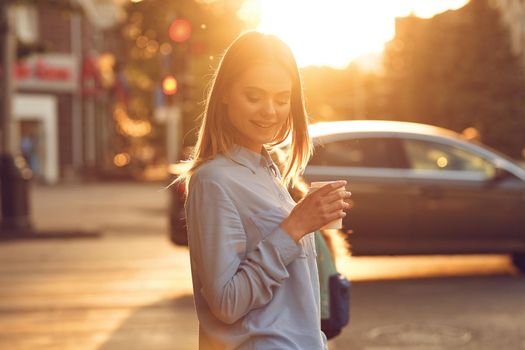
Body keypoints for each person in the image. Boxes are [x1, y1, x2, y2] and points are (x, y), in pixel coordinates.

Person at [177, 31, 351, 350]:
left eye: (281, 99)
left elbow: (296, 300)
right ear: (226, 93)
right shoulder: (213, 180)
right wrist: (296, 226)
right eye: (254, 97)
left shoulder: (268, 171)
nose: (269, 111)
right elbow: (226, 303)